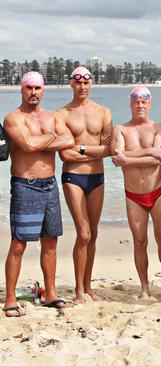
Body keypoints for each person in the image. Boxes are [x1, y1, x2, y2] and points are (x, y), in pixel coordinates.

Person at [2, 71, 75, 316]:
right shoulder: (12, 118)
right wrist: (52, 137)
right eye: (29, 88)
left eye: (37, 88)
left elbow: (69, 140)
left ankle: (51, 294)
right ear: (21, 89)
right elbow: (28, 146)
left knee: (51, 241)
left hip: (50, 185)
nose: (33, 92)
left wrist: (44, 139)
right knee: (19, 243)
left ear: (43, 90)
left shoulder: (52, 116)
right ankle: (10, 299)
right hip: (25, 186)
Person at [111, 86, 161, 299]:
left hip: (157, 191)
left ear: (150, 103)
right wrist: (147, 151)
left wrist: (128, 158)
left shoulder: (160, 128)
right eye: (136, 101)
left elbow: (159, 158)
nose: (140, 105)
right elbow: (118, 156)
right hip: (133, 195)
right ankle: (144, 287)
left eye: (143, 101)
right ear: (130, 104)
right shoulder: (120, 129)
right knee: (139, 242)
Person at [58, 66, 113, 304]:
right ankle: (79, 290)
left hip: (97, 178)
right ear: (71, 84)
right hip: (73, 178)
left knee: (94, 233)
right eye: (78, 82)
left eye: (86, 82)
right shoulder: (61, 115)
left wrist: (80, 148)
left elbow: (109, 149)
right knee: (83, 233)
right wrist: (93, 152)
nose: (82, 86)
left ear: (92, 84)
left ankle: (88, 286)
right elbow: (64, 155)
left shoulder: (103, 112)